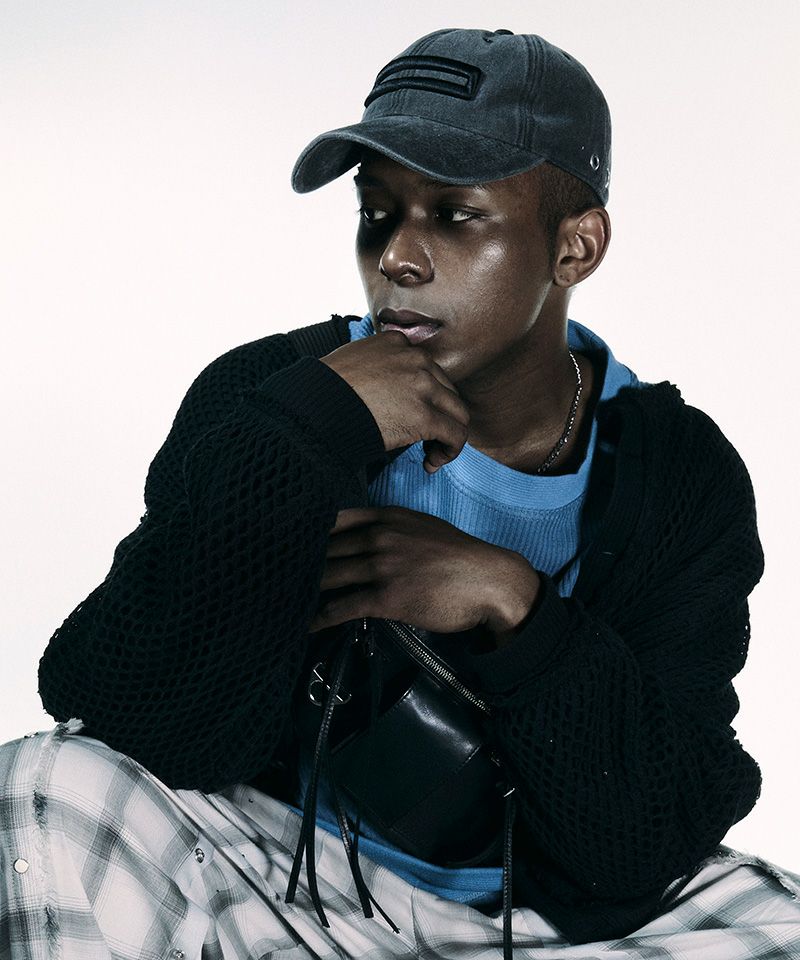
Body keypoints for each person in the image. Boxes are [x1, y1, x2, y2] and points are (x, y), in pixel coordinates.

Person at [2, 25, 800, 960]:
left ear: (575, 248)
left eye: (456, 216)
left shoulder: (678, 471)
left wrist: (516, 606)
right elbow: (127, 717)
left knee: (777, 920)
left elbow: (651, 834)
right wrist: (307, 433)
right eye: (378, 212)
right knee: (45, 788)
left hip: (547, 917)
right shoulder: (274, 394)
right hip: (276, 875)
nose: (399, 259)